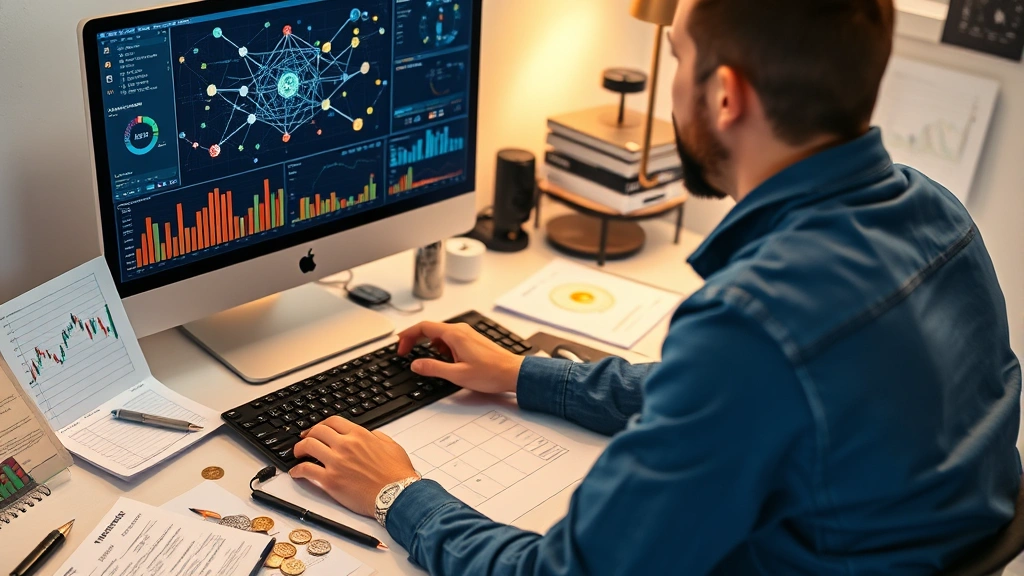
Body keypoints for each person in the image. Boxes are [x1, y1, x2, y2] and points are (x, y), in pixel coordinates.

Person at [289, 0, 1022, 573]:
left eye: (678, 56)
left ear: (725, 96)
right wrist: (521, 373)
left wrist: (397, 493)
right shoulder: (936, 212)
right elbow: (738, 395)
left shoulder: (750, 324)